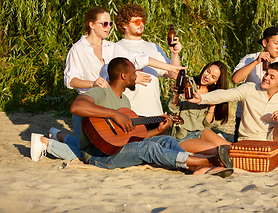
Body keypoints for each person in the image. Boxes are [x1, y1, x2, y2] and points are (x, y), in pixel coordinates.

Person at [38, 57, 233, 177]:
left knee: (164, 139)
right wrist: (113, 114)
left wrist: (157, 130)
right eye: (133, 73)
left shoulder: (125, 104)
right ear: (123, 76)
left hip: (120, 148)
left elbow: (132, 138)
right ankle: (205, 162)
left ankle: (192, 167)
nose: (136, 76)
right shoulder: (101, 93)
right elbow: (77, 106)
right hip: (102, 156)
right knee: (149, 148)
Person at [50, 6, 184, 157]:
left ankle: (59, 135)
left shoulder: (111, 47)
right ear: (91, 24)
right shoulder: (78, 49)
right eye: (105, 23)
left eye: (110, 23)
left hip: (109, 107)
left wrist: (172, 66)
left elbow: (141, 59)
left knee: (102, 148)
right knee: (86, 153)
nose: (109, 27)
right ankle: (48, 141)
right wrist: (93, 83)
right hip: (89, 105)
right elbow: (70, 80)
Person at [114, 4, 182, 121]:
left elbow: (174, 74)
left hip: (154, 112)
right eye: (136, 22)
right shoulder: (115, 48)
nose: (141, 24)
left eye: (143, 21)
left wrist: (174, 53)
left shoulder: (153, 47)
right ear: (124, 25)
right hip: (129, 112)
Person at [232, 27, 278, 144]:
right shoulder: (250, 59)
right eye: (276, 43)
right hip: (247, 119)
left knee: (272, 152)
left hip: (271, 121)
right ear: (264, 43)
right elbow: (236, 79)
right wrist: (256, 62)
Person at [168, 61, 232, 156]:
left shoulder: (212, 93)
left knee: (231, 149)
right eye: (208, 71)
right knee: (215, 151)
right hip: (184, 135)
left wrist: (212, 106)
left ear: (216, 81)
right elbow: (173, 110)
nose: (207, 76)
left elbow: (206, 124)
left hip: (201, 131)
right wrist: (176, 95)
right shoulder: (187, 83)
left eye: (213, 77)